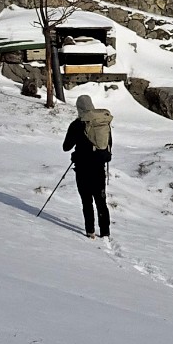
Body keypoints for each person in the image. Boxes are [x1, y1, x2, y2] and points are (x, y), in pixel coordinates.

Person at [62, 96, 112, 238]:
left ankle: (90, 231)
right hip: (99, 168)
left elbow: (66, 147)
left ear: (79, 108)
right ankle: (105, 233)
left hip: (83, 169)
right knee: (101, 201)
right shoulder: (103, 122)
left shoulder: (77, 124)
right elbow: (108, 145)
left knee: (87, 201)